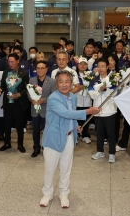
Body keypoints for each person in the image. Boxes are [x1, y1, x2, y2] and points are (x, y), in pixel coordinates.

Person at [39, 70, 100, 208]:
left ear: (71, 83)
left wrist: (76, 126)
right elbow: (65, 113)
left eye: (67, 82)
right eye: (61, 82)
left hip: (69, 137)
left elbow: (70, 116)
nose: (64, 85)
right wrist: (87, 111)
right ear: (56, 83)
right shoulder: (53, 98)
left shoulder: (72, 97)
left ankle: (64, 194)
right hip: (53, 138)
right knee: (50, 168)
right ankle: (47, 194)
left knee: (66, 168)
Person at [0, 53, 30, 153]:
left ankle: (20, 144)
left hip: (18, 103)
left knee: (19, 125)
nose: (10, 64)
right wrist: (0, 89)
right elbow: (3, 85)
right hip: (7, 102)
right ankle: (7, 143)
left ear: (18, 61)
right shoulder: (5, 72)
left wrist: (19, 94)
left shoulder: (24, 73)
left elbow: (27, 88)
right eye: (9, 61)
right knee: (6, 124)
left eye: (12, 61)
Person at [88, 58, 118, 163]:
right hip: (97, 110)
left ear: (107, 67)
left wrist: (108, 89)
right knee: (99, 132)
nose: (100, 68)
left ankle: (112, 153)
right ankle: (100, 151)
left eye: (103, 66)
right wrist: (100, 91)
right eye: (98, 66)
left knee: (110, 133)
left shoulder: (113, 79)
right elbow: (91, 94)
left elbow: (115, 93)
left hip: (110, 110)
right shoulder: (94, 80)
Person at [28, 60, 56, 157]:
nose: (40, 70)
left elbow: (53, 96)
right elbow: (28, 93)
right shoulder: (32, 80)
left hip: (46, 110)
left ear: (46, 69)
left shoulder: (52, 81)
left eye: (42, 68)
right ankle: (36, 148)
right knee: (35, 130)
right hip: (34, 109)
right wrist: (32, 99)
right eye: (38, 68)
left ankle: (46, 148)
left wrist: (42, 100)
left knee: (46, 130)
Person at [75, 57, 92, 144]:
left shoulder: (90, 74)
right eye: (80, 64)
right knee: (76, 119)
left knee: (86, 119)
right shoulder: (74, 74)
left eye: (84, 64)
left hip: (87, 100)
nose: (82, 66)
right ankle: (76, 135)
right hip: (77, 100)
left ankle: (85, 135)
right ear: (77, 65)